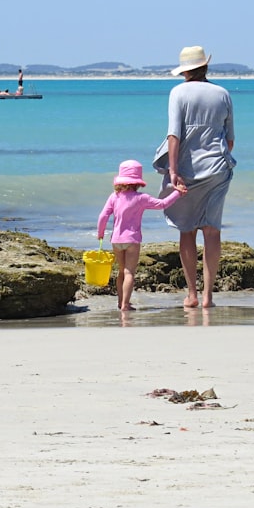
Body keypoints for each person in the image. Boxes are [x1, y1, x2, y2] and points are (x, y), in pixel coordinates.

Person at [159, 45, 235, 308]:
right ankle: (208, 297)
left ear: (185, 71)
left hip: (187, 170)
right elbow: (230, 140)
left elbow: (173, 136)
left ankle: (191, 294)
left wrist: (173, 171)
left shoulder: (178, 93)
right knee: (212, 232)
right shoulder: (222, 94)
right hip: (217, 169)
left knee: (187, 230)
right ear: (205, 66)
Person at [98, 160, 186, 311]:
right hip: (132, 240)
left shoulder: (114, 196)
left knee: (121, 271)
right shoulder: (141, 198)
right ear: (137, 181)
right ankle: (126, 304)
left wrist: (100, 233)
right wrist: (177, 192)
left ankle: (120, 302)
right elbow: (162, 204)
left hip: (116, 240)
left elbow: (103, 216)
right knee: (129, 272)